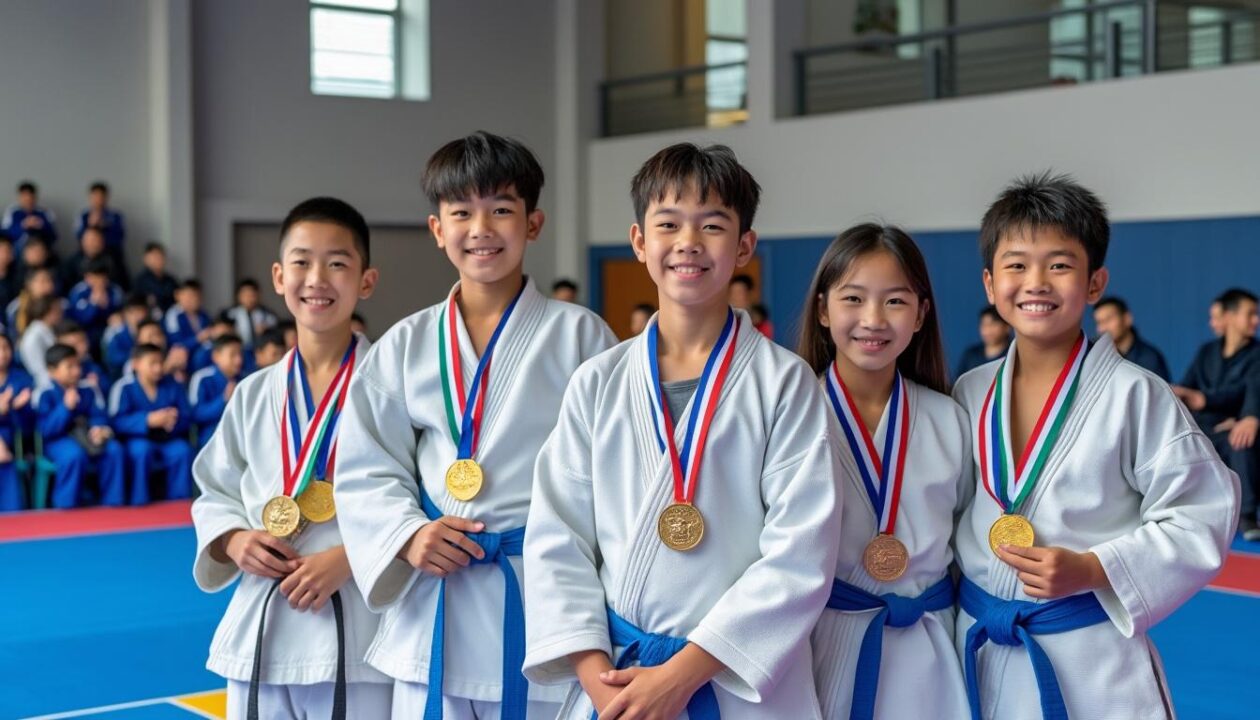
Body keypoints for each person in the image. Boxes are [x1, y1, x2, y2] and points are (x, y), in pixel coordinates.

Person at [522, 143, 842, 718]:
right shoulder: (598, 381)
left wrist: (683, 675)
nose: (688, 242)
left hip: (734, 682)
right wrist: (598, 681)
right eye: (668, 224)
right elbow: (557, 537)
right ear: (640, 241)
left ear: (744, 245)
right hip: (619, 679)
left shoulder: (785, 383)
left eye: (712, 225)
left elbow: (801, 552)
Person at [332, 131, 616, 719]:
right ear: (438, 230)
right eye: (461, 212)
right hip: (435, 602)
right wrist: (408, 535)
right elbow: (365, 467)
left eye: (501, 210)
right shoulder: (404, 345)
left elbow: (615, 475)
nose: (481, 229)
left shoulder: (583, 337)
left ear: (533, 224)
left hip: (540, 597)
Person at [952, 172, 1238, 720]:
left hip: (1090, 656)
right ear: (990, 285)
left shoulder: (1137, 394)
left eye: (1059, 264)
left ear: (1094, 283)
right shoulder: (969, 392)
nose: (1036, 282)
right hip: (980, 642)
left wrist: (1095, 568)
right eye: (1016, 265)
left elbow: (1204, 513)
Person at [190, 197, 392, 718]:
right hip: (263, 617)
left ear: (366, 281)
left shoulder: (394, 387)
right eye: (302, 262)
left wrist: (350, 558)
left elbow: (420, 497)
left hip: (359, 622)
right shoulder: (255, 393)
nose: (317, 278)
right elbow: (216, 488)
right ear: (279, 276)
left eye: (338, 263)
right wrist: (234, 539)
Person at [799, 224, 968, 719]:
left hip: (928, 646)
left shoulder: (947, 418)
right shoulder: (791, 412)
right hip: (819, 642)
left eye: (895, 301)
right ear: (824, 310)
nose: (873, 319)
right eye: (853, 298)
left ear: (921, 314)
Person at [1173, 287, 1260, 540]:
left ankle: (1246, 516)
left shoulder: (1257, 355)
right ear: (1231, 316)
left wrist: (1248, 417)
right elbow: (1186, 387)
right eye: (1251, 314)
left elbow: (1248, 393)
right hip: (1207, 428)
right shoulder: (1207, 352)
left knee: (1241, 440)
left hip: (1237, 430)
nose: (1256, 320)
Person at [36, 343, 125, 508]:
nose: (76, 371)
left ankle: (113, 504)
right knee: (73, 456)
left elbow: (100, 415)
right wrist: (65, 408)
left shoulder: (88, 388)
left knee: (114, 450)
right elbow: (45, 430)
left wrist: (99, 429)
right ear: (52, 371)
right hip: (58, 441)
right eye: (69, 367)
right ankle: (66, 507)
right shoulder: (44, 392)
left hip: (87, 436)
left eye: (77, 365)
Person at [110, 343, 194, 504]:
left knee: (181, 451)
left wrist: (173, 421)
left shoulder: (173, 384)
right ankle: (139, 502)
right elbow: (116, 422)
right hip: (138, 439)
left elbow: (186, 416)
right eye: (152, 363)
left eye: (160, 363)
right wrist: (147, 420)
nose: (158, 368)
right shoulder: (124, 387)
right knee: (141, 451)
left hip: (168, 438)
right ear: (136, 364)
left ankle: (179, 503)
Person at [1092, 296, 1171, 381]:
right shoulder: (1094, 357)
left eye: (1108, 319)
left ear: (1127, 319)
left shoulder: (1150, 359)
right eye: (1099, 322)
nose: (1103, 328)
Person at [189, 333, 246, 449]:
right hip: (211, 434)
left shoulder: (245, 379)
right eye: (233, 355)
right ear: (216, 356)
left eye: (240, 354)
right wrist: (223, 399)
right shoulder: (202, 378)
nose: (238, 360)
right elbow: (196, 414)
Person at [0, 334, 34, 511]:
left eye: (6, 347)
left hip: (15, 439)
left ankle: (11, 513)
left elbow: (28, 427)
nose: (3, 353)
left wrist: (15, 408)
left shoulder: (22, 379)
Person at [67, 256, 125, 350]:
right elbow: (80, 319)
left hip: (109, 331)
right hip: (87, 333)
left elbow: (120, 311)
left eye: (102, 277)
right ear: (86, 277)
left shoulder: (115, 290)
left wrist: (115, 314)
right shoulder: (79, 292)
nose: (98, 281)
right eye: (94, 277)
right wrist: (93, 304)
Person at [75, 181, 128, 276]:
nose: (98, 200)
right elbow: (79, 236)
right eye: (95, 196)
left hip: (110, 252)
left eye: (101, 196)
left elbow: (120, 236)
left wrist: (105, 226)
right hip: (87, 254)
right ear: (90, 197)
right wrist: (90, 225)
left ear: (106, 197)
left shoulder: (115, 216)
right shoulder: (84, 215)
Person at [954, 305, 1011, 379]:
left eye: (993, 324)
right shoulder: (971, 355)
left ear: (1007, 327)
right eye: (984, 324)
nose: (987, 330)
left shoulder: (1013, 355)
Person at [19, 295, 63, 387]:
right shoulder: (33, 336)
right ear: (48, 311)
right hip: (45, 384)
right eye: (57, 310)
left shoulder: (48, 330)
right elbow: (39, 369)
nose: (61, 313)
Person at [223, 278, 279, 349]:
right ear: (238, 296)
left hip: (259, 349)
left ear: (258, 295)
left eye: (252, 295)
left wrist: (267, 331)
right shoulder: (229, 314)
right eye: (245, 295)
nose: (248, 299)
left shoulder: (268, 315)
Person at [3, 181, 57, 251]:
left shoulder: (44, 212)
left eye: (30, 198)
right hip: (16, 250)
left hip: (41, 250)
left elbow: (53, 236)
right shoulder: (12, 212)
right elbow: (5, 235)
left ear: (35, 198)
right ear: (19, 198)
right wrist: (23, 225)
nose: (28, 201)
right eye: (24, 198)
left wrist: (41, 225)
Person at [164, 279, 212, 350]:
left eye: (198, 296)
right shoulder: (173, 315)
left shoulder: (203, 314)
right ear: (177, 295)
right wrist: (198, 338)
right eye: (190, 296)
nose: (195, 300)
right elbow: (176, 343)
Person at [134, 242, 178, 312]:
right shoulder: (140, 281)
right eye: (154, 257)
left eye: (160, 256)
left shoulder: (171, 281)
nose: (158, 259)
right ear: (145, 259)